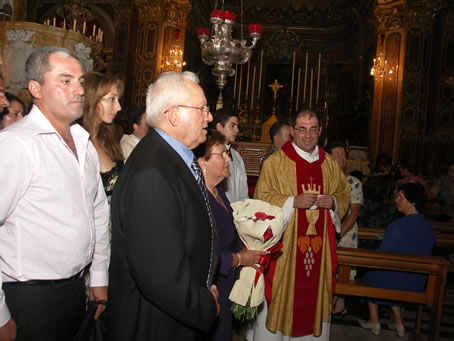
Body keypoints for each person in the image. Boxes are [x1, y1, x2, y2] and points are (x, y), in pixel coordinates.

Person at [0, 46, 110, 341]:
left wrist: (99, 276)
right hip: (30, 297)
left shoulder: (82, 141)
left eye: (81, 81)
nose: (78, 89)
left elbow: (98, 211)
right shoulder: (16, 145)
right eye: (65, 80)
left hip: (76, 289)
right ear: (35, 88)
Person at [107, 71, 220, 341]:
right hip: (156, 324)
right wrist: (205, 305)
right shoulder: (152, 173)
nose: (210, 117)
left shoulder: (169, 159)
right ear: (174, 115)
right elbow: (161, 278)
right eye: (202, 108)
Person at [250, 109, 350, 340]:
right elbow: (261, 199)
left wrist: (333, 202)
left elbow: (344, 194)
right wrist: (291, 202)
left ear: (320, 131)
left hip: (320, 251)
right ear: (293, 131)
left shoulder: (329, 164)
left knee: (315, 299)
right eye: (302, 129)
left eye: (313, 129)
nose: (308, 135)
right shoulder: (276, 162)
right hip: (284, 254)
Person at [194, 130, 264, 341]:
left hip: (226, 285)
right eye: (222, 154)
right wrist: (240, 259)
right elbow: (201, 251)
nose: (229, 159)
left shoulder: (218, 191)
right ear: (201, 162)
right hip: (211, 287)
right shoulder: (199, 198)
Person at [359, 182, 435, 337]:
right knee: (392, 275)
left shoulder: (397, 226)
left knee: (370, 274)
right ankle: (398, 322)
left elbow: (381, 255)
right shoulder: (428, 227)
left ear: (412, 202)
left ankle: (374, 320)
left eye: (400, 197)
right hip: (417, 282)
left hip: (396, 280)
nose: (396, 200)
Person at [326, 141, 363, 315]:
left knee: (344, 270)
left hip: (345, 232)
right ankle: (331, 303)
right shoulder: (325, 179)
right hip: (327, 230)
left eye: (343, 154)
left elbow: (354, 212)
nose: (341, 158)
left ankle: (339, 303)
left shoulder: (353, 182)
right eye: (337, 154)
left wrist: (339, 232)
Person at [81, 71, 124, 205]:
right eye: (112, 99)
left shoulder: (109, 137)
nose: (118, 107)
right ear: (93, 99)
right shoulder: (75, 141)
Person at [212, 107, 248, 203]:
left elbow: (243, 191)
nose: (237, 130)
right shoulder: (209, 154)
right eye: (232, 126)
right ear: (219, 126)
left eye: (237, 126)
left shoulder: (236, 156)